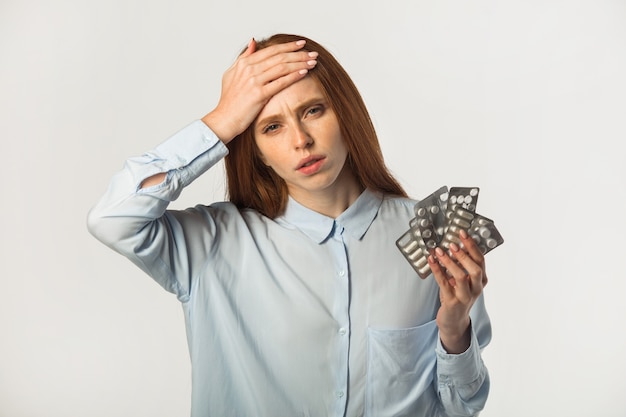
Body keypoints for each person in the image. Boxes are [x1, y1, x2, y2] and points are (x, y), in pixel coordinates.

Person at [87, 33, 492, 417]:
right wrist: (223, 120)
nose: (301, 140)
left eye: (313, 110)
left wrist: (455, 332)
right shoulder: (211, 244)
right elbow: (113, 218)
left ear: (346, 116)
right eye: (271, 126)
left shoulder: (433, 232)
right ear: (257, 150)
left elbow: (462, 406)